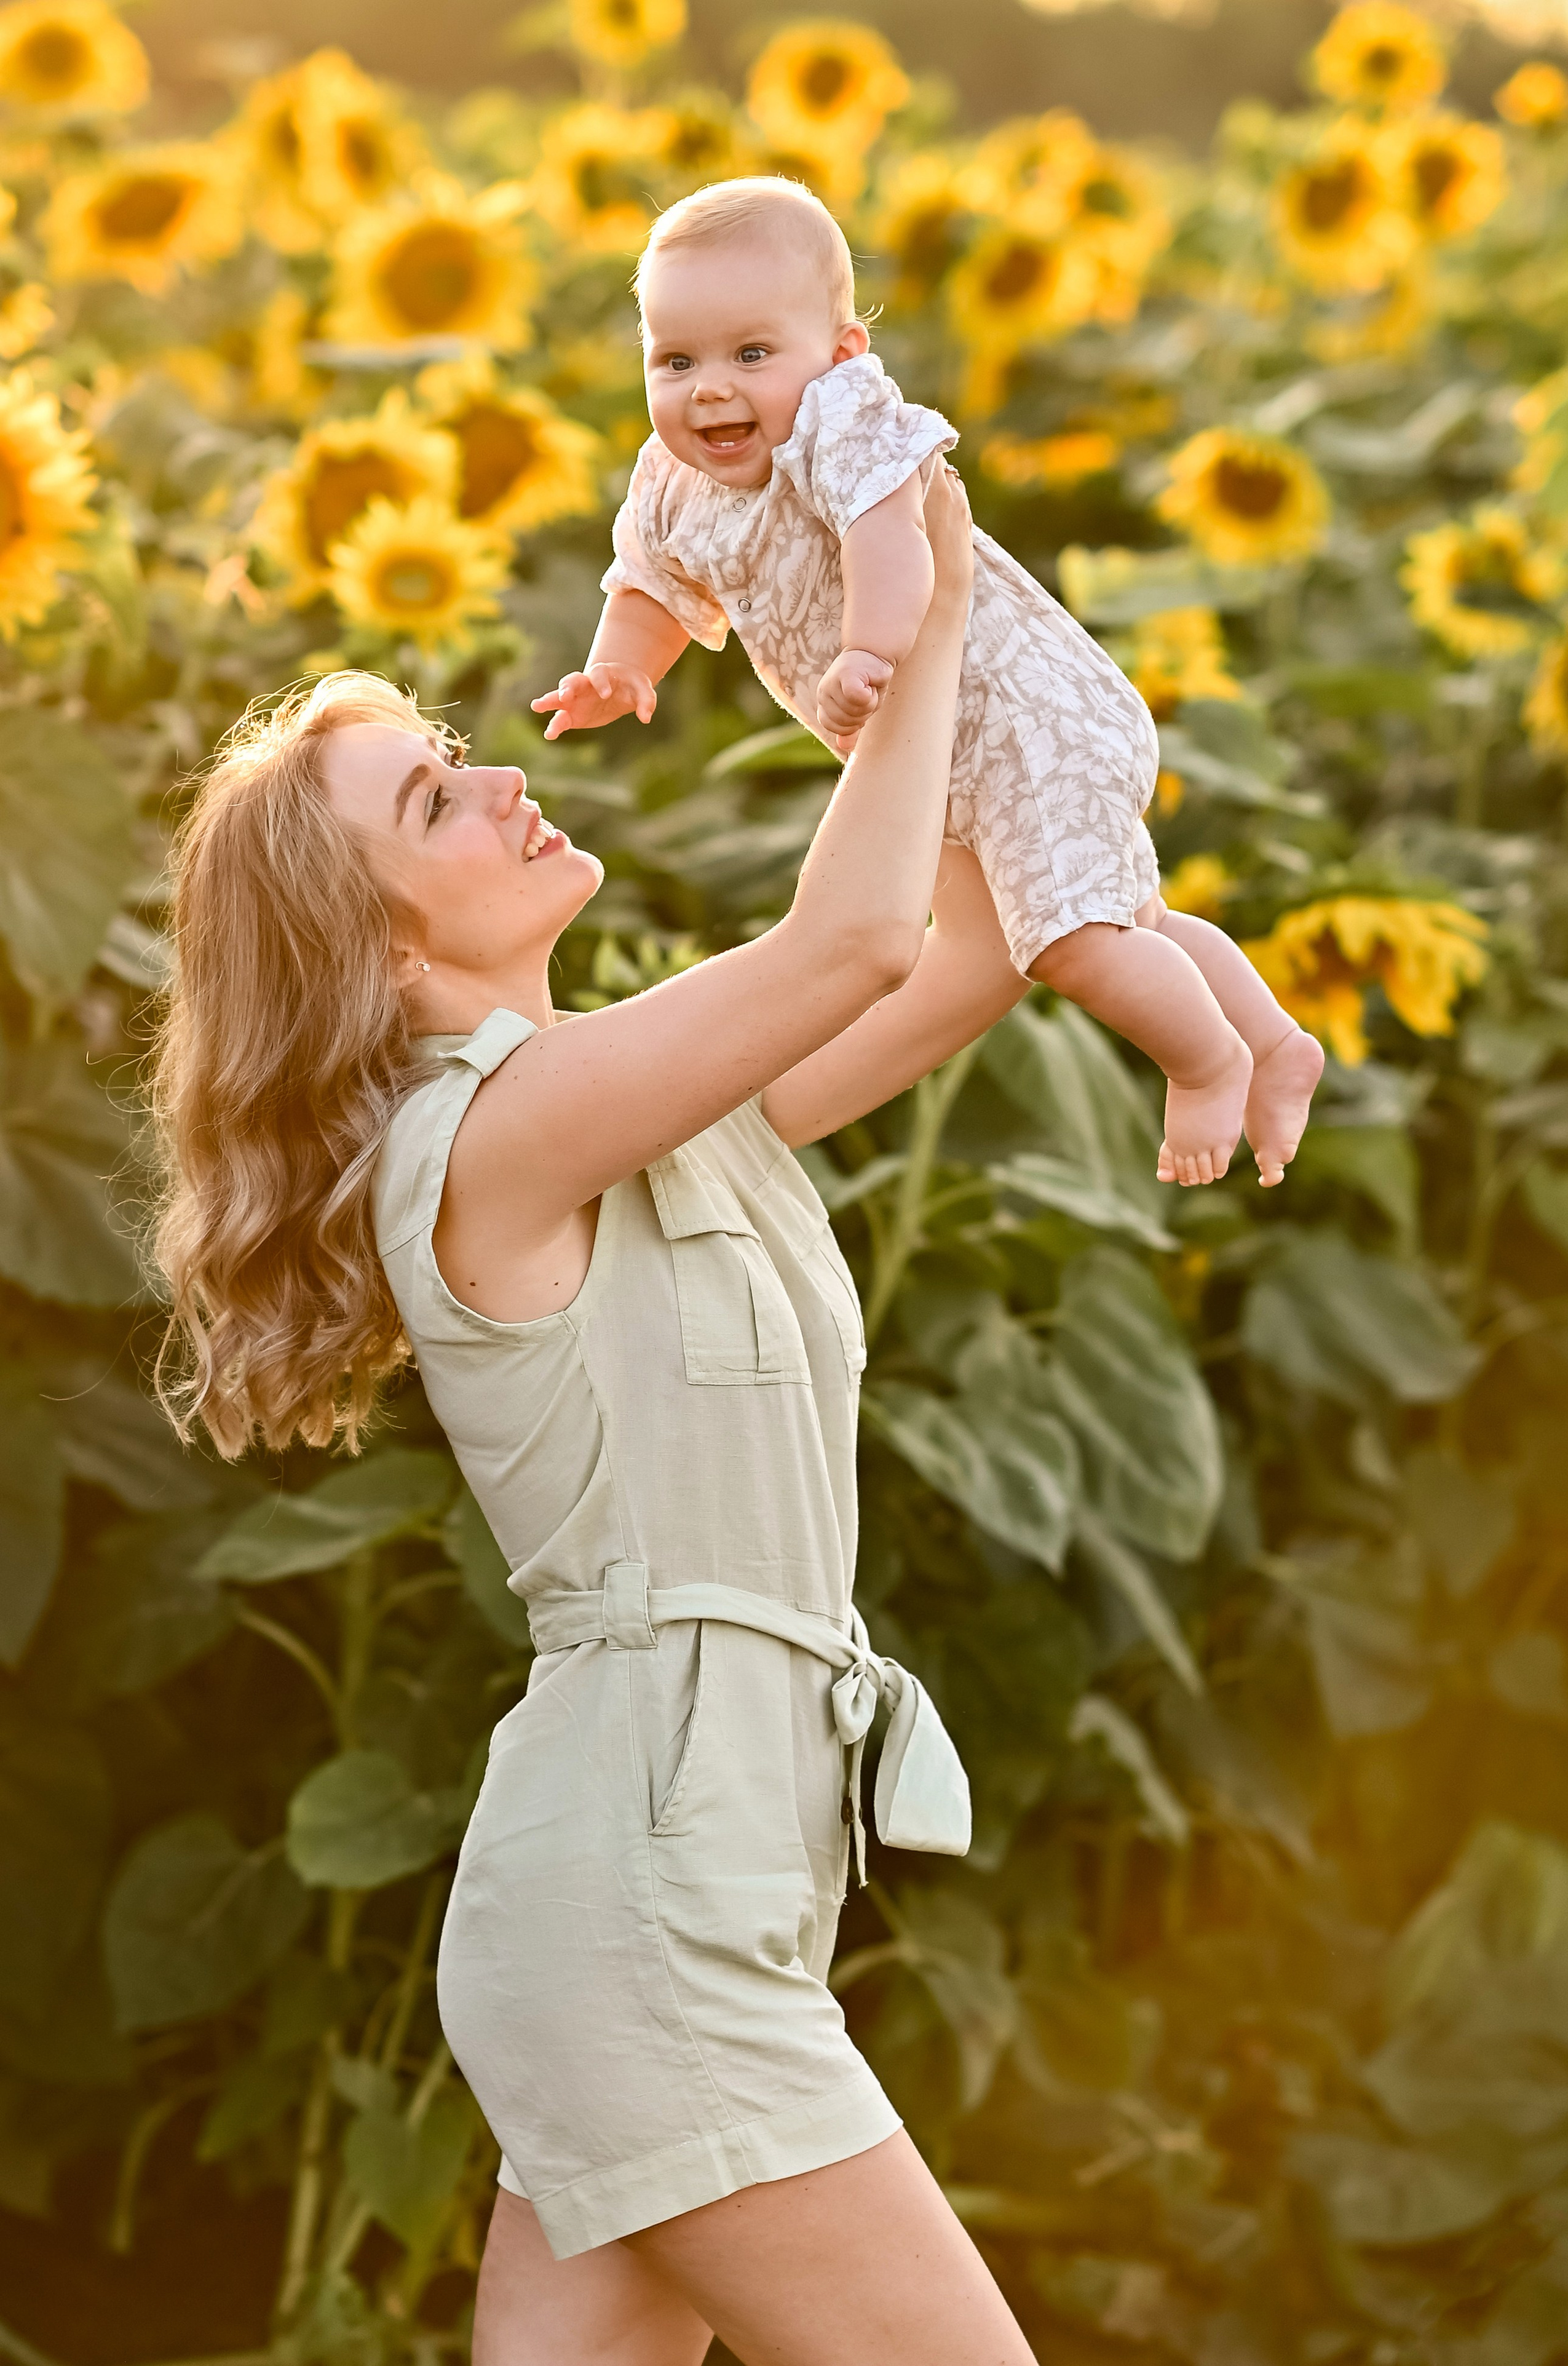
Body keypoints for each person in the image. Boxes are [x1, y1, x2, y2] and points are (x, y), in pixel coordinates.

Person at [152, 467, 1042, 2363]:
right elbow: (849, 947)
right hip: (649, 1892)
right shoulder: (478, 1144)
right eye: (432, 802)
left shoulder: (643, 1100)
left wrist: (909, 639)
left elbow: (966, 946)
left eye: (462, 754)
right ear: (385, 954)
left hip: (694, 1865)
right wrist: (932, 605)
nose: (496, 783)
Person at [534, 174, 1325, 1191]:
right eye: (675, 359)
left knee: (1072, 944)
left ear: (840, 355)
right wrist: (617, 668)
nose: (710, 388)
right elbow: (650, 583)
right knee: (1128, 920)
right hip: (949, 750)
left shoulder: (839, 422)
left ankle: (1206, 1062)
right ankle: (1271, 1038)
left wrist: (870, 651)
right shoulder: (670, 480)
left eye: (752, 353)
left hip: (1025, 715)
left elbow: (893, 538)